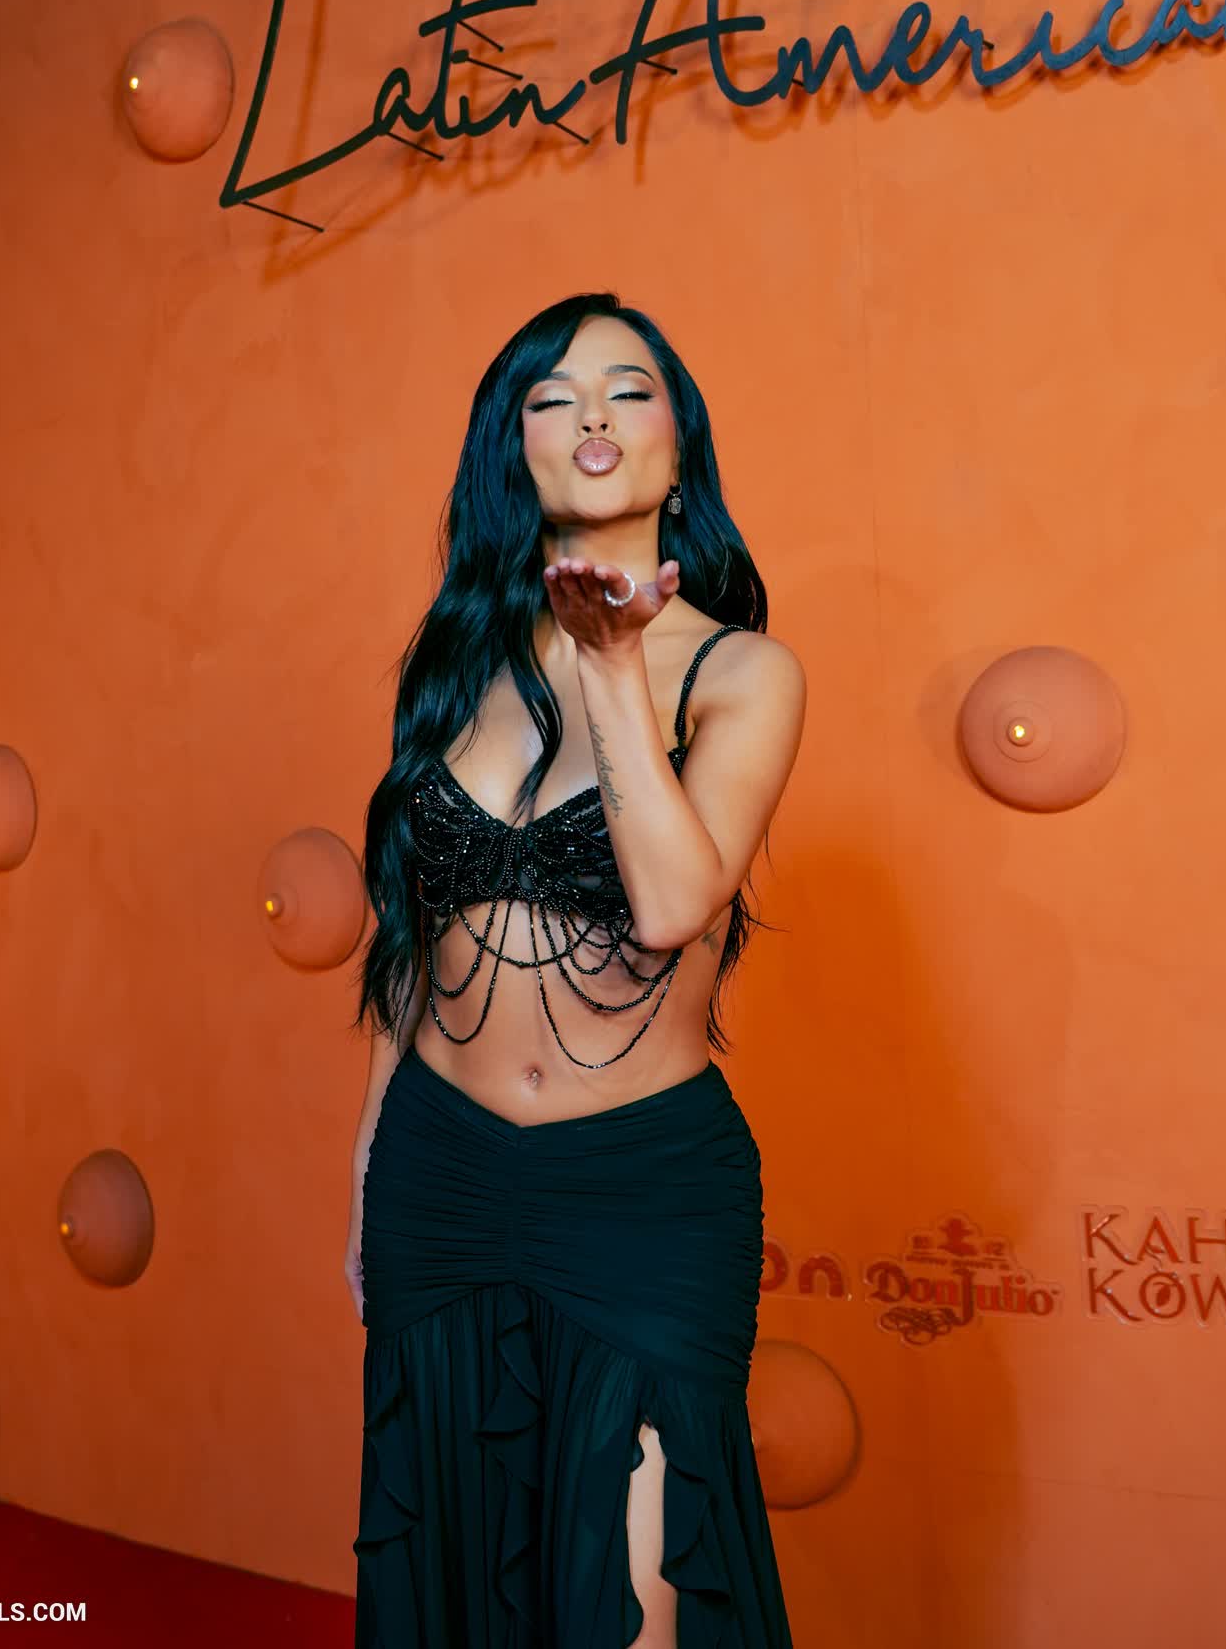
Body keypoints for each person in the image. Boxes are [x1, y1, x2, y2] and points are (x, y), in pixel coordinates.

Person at [345, 291, 807, 1648]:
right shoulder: (452, 667)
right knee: (455, 1567)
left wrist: (612, 672)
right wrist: (369, 1170)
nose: (592, 415)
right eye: (552, 397)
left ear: (679, 445)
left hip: (641, 1194)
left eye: (628, 388)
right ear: (518, 449)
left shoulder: (741, 673)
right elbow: (411, 951)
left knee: (636, 1602)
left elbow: (669, 905)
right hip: (441, 1177)